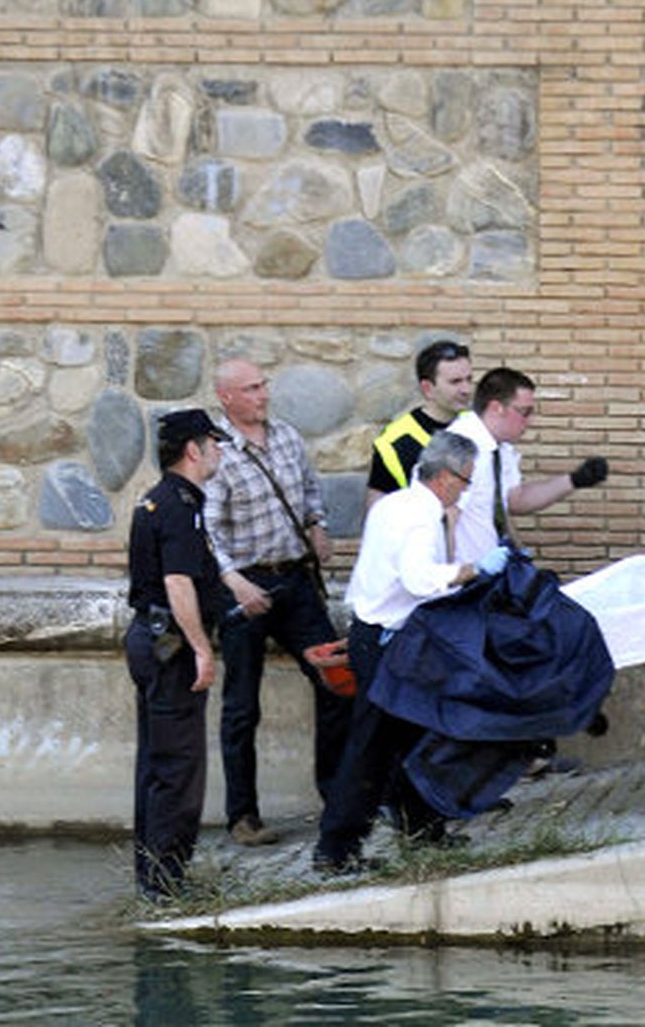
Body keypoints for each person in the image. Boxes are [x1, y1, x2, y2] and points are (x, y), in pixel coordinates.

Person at [315, 432, 510, 872]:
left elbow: (374, 574)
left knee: (412, 739)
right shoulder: (422, 518)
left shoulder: (393, 505)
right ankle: (335, 851)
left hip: (375, 633)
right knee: (371, 748)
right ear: (443, 477)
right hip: (389, 644)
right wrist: (476, 569)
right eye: (465, 480)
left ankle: (422, 830)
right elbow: (420, 580)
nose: (465, 489)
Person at [205, 359, 353, 846]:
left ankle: (337, 795)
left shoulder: (287, 436)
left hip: (294, 580)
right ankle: (243, 817)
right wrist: (233, 582)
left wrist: (317, 524)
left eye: (264, 384)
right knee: (241, 705)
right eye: (251, 388)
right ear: (227, 397)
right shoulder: (217, 455)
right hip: (244, 589)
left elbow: (310, 489)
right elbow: (207, 532)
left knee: (335, 681)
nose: (263, 395)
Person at [125, 409, 230, 900]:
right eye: (214, 443)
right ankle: (166, 885)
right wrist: (202, 650)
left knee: (157, 763)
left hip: (152, 640)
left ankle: (154, 878)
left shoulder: (158, 500)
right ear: (194, 449)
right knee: (177, 770)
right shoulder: (180, 505)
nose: (219, 452)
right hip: (171, 645)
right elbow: (177, 582)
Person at [445, 366, 608, 563]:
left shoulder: (500, 447)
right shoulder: (459, 446)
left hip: (486, 579)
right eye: (525, 412)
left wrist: (575, 480)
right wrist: (451, 581)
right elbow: (445, 519)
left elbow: (516, 500)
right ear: (497, 408)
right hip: (463, 582)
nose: (531, 421)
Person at [365, 339, 473, 509]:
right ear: (427, 388)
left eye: (469, 379)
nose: (467, 389)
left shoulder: (479, 427)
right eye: (455, 382)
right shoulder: (395, 442)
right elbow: (377, 510)